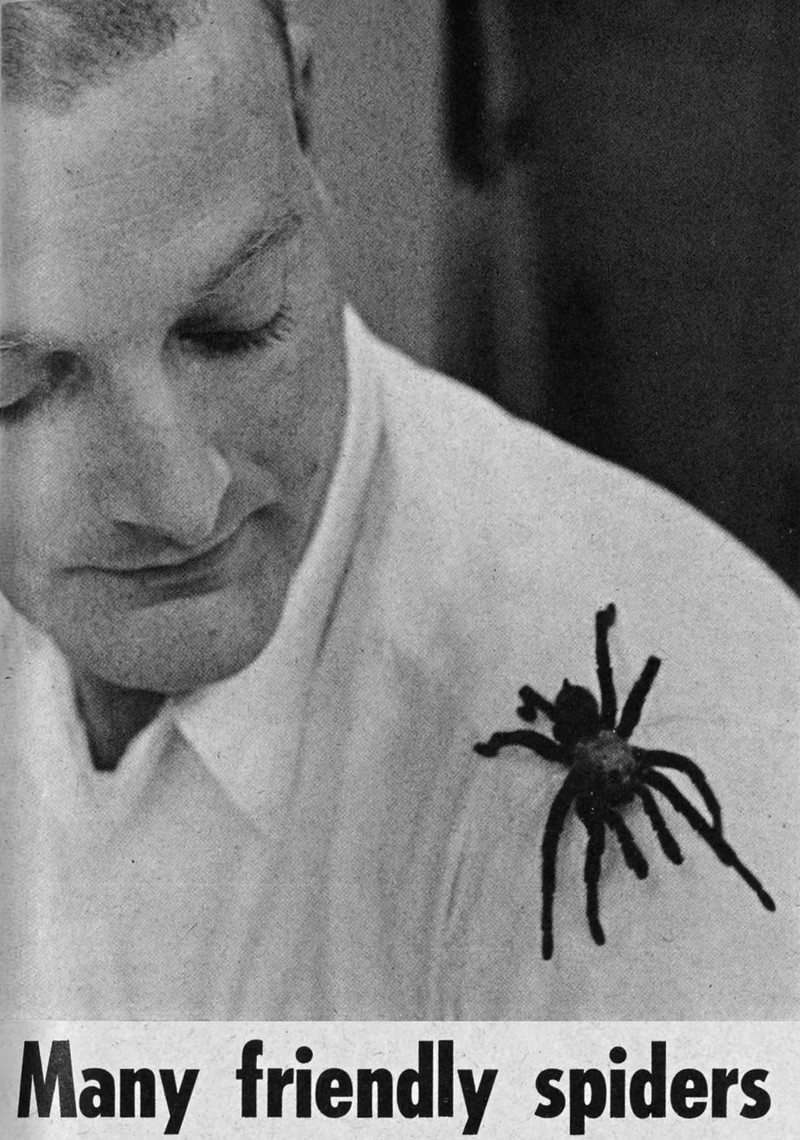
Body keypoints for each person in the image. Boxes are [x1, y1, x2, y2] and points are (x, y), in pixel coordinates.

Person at [1, 0, 797, 1021]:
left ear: (302, 113)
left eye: (238, 322)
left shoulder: (681, 816)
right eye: (16, 393)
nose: (186, 503)